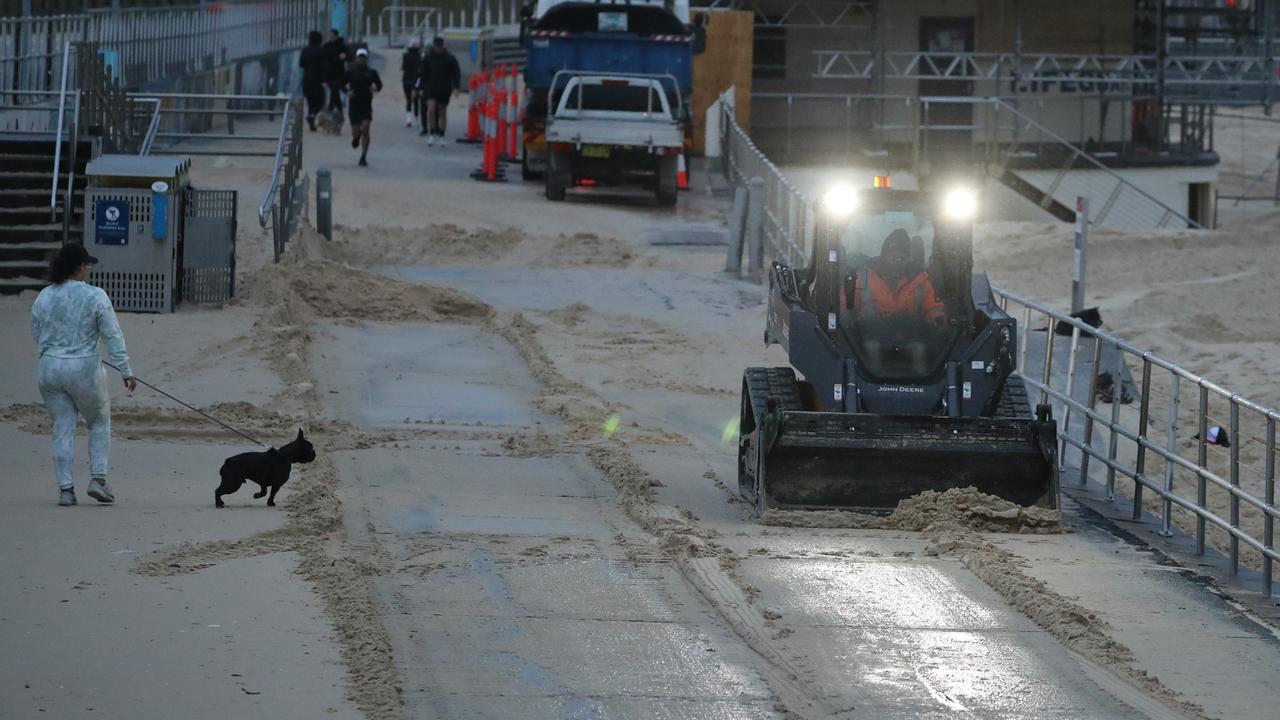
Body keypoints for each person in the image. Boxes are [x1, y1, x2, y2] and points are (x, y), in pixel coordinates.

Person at [30, 244, 136, 507]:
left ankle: (66, 489)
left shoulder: (44, 296)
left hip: (50, 367)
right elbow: (112, 334)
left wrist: (54, 350)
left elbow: (36, 332)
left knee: (62, 426)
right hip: (84, 368)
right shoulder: (95, 296)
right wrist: (125, 369)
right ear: (79, 267)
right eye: (87, 265)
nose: (89, 268)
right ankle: (98, 479)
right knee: (98, 422)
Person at [849, 228, 945, 322]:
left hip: (912, 335)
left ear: (908, 260)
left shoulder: (920, 280)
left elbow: (933, 307)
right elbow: (845, 307)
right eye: (894, 257)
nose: (898, 262)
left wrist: (937, 320)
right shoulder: (861, 279)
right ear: (884, 256)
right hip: (867, 335)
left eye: (902, 258)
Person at [417, 37, 460, 145]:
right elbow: (423, 74)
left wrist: (456, 87)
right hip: (430, 87)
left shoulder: (450, 58)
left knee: (442, 111)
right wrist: (421, 88)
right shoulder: (428, 58)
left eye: (439, 46)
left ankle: (442, 135)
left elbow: (456, 73)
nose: (438, 48)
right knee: (430, 110)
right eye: (436, 46)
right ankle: (431, 134)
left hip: (444, 88)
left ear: (442, 46)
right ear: (434, 46)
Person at [344, 48, 383, 167]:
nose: (361, 59)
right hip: (354, 105)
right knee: (355, 132)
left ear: (367, 59)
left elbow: (379, 85)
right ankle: (356, 137)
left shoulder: (372, 72)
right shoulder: (350, 72)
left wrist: (375, 88)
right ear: (356, 58)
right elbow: (341, 83)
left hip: (366, 105)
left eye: (364, 57)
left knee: (366, 128)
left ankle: (363, 156)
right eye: (359, 57)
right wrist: (347, 91)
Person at [299, 30, 327, 132]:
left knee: (310, 102)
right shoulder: (321, 51)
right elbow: (324, 67)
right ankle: (312, 116)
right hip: (318, 81)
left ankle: (311, 122)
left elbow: (301, 64)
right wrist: (324, 80)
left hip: (307, 80)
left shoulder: (305, 50)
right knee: (320, 101)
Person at [322, 28, 349, 118]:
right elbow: (323, 61)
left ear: (336, 36)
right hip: (329, 74)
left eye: (332, 36)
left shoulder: (342, 46)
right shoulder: (326, 46)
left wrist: (344, 56)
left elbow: (350, 56)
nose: (331, 37)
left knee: (335, 91)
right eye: (330, 36)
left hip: (339, 74)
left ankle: (330, 110)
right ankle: (340, 112)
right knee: (335, 93)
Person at [401, 38, 422, 127]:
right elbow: (420, 70)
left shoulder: (405, 56)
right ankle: (416, 117)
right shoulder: (420, 56)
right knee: (416, 100)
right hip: (415, 80)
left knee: (408, 100)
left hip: (406, 80)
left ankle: (408, 118)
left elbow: (403, 67)